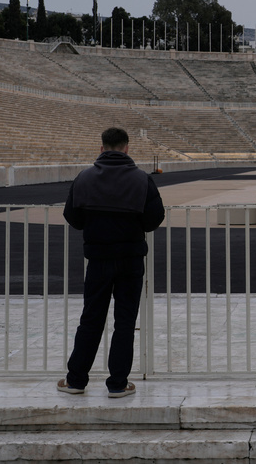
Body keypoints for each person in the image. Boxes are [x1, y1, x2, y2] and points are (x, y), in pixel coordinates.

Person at [57, 127, 165, 398]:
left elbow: (73, 216)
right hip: (130, 258)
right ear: (127, 148)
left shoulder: (84, 178)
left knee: (91, 318)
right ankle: (117, 384)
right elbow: (154, 219)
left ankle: (76, 380)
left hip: (98, 258)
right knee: (125, 321)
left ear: (102, 147)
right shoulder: (142, 179)